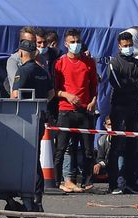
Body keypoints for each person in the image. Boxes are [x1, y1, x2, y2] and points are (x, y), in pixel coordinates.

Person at [53, 28, 98, 193]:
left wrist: (93, 101)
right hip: (65, 110)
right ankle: (58, 181)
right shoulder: (60, 63)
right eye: (72, 42)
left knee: (87, 149)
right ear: (66, 44)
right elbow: (54, 90)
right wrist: (67, 95)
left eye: (78, 41)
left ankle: (87, 182)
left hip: (85, 111)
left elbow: (94, 86)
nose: (76, 45)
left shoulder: (89, 62)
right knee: (62, 148)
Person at [11, 39, 54, 210]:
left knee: (25, 158)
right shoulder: (43, 72)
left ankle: (26, 195)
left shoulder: (23, 71)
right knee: (35, 157)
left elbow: (15, 96)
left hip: (24, 120)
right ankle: (37, 198)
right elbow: (51, 93)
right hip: (40, 118)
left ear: (21, 53)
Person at [107, 31, 138, 194]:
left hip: (135, 109)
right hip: (119, 109)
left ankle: (131, 180)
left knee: (134, 145)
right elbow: (117, 83)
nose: (128, 48)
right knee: (117, 146)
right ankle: (114, 182)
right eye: (125, 46)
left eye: (130, 45)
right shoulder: (114, 62)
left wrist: (134, 87)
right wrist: (133, 85)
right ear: (119, 46)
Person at [6, 26, 38, 95]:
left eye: (34, 42)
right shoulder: (13, 60)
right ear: (22, 42)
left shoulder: (41, 58)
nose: (32, 45)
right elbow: (17, 83)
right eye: (29, 42)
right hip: (21, 101)